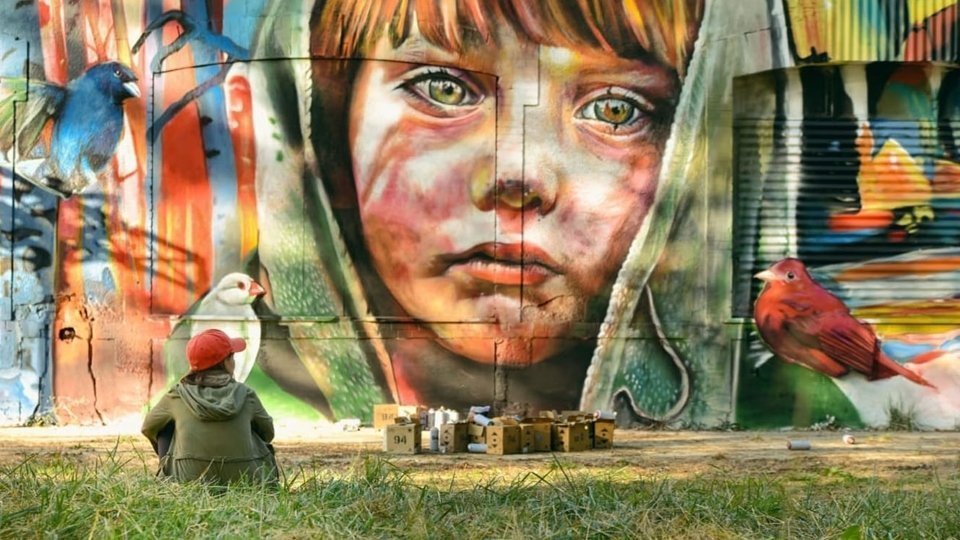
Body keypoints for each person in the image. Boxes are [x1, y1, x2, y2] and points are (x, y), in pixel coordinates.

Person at [238, 0, 705, 420]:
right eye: (444, 88)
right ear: (326, 132)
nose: (519, 177)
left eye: (614, 110)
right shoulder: (225, 367)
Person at [142, 329, 279, 485]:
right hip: (246, 480)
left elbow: (148, 427)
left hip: (189, 479)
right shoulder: (246, 394)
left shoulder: (177, 395)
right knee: (253, 424)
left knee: (163, 427)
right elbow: (267, 433)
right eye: (232, 357)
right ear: (225, 362)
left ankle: (170, 478)